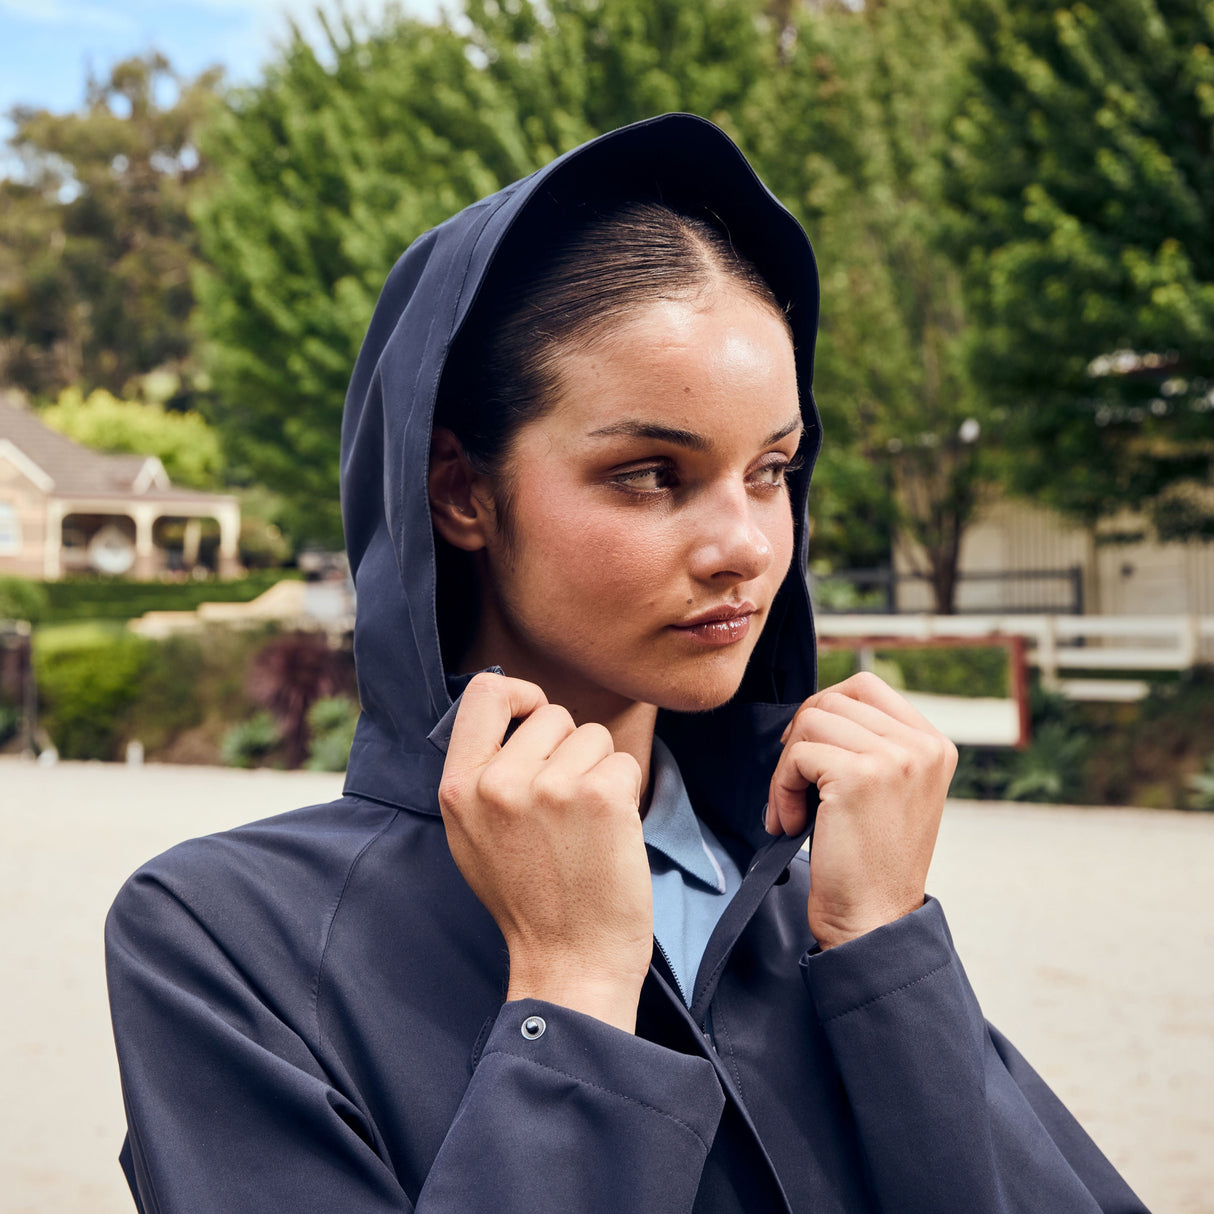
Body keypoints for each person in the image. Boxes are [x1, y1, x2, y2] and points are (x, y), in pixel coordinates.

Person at [105, 114, 1148, 1213]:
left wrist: (887, 953)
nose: (746, 545)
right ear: (459, 489)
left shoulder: (827, 901)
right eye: (651, 473)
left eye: (772, 469)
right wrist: (569, 987)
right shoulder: (221, 936)